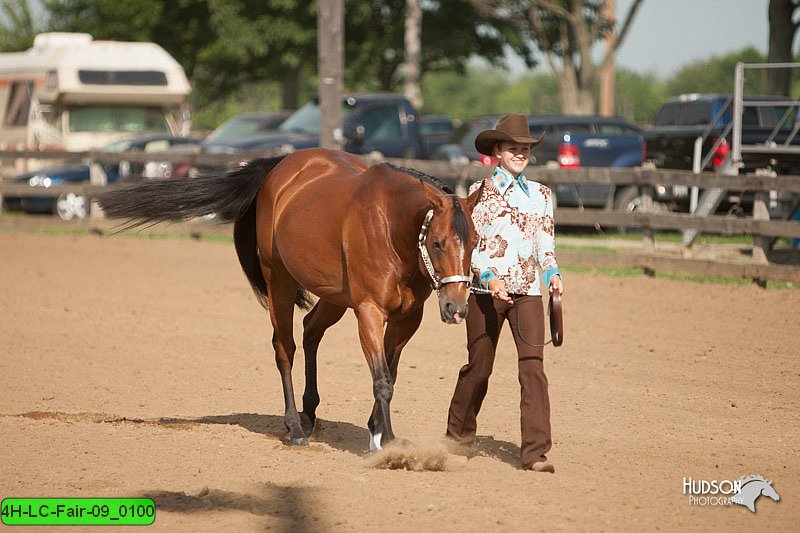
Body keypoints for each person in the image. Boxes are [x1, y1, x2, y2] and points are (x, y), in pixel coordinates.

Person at [446, 113, 564, 473]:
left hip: (528, 289)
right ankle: (458, 436)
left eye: (525, 148)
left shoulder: (542, 195)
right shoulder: (479, 193)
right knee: (479, 367)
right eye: (513, 147)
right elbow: (472, 245)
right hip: (485, 292)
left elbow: (545, 242)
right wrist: (489, 277)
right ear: (497, 151)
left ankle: (535, 453)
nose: (520, 153)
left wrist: (553, 273)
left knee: (533, 369)